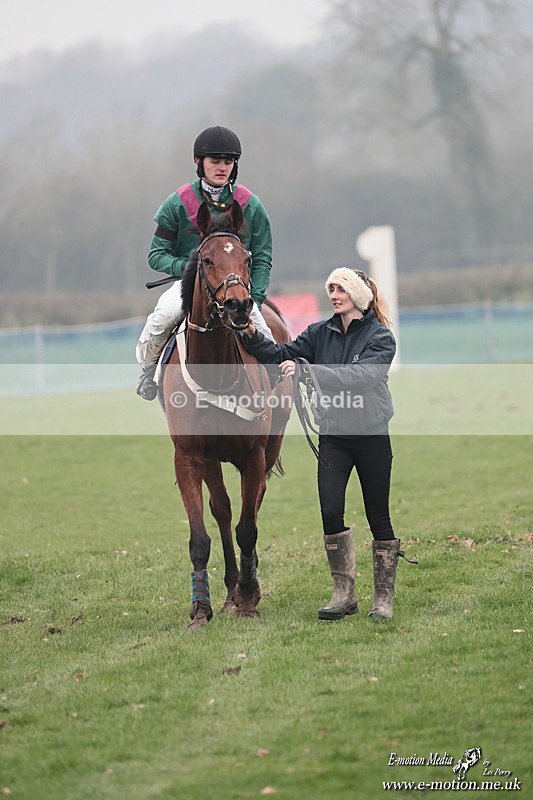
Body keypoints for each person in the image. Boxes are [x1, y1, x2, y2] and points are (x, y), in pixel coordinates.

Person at [242, 267, 410, 621]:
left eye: (341, 289)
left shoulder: (381, 337)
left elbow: (363, 377)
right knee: (331, 512)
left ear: (358, 296)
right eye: (331, 289)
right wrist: (250, 332)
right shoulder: (320, 332)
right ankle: (343, 594)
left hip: (371, 438)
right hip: (333, 437)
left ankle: (383, 599)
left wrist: (309, 372)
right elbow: (281, 352)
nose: (333, 295)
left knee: (379, 516)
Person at [136, 125, 274, 400]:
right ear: (200, 163)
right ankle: (148, 372)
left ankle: (279, 382)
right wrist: (189, 269)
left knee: (268, 334)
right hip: (190, 284)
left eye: (228, 162)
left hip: (237, 287)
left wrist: (254, 298)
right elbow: (156, 254)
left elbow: (262, 256)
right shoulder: (177, 203)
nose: (222, 167)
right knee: (164, 317)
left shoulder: (251, 205)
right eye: (215, 161)